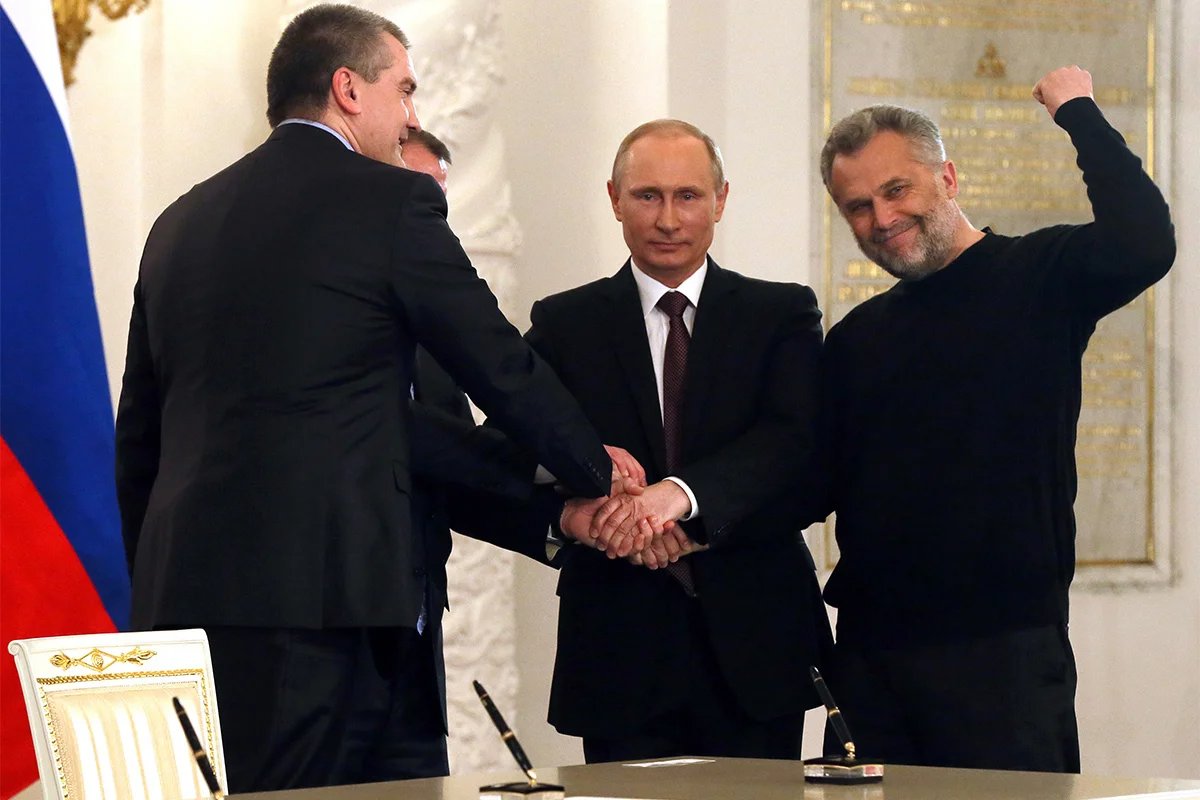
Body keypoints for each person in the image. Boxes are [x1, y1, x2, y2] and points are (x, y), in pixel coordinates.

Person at [113, 5, 617, 792]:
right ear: (349, 88)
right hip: (331, 604)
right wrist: (598, 471)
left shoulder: (179, 222)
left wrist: (158, 582)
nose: (412, 115)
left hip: (197, 600)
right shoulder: (388, 202)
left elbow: (139, 436)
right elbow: (497, 364)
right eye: (405, 90)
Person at [818, 66, 1175, 772]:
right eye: (857, 206)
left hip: (1002, 656)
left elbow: (1144, 241)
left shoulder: (1039, 276)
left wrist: (1076, 109)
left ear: (946, 178)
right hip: (869, 658)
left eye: (897, 190)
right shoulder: (856, 336)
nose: (881, 219)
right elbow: (811, 478)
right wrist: (682, 508)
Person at [525, 119, 833, 762]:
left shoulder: (781, 314)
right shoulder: (564, 324)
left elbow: (797, 448)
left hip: (756, 647)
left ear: (721, 199)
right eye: (647, 196)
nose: (668, 218)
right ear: (614, 198)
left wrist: (684, 505)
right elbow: (508, 448)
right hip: (618, 646)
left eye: (688, 196)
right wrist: (590, 513)